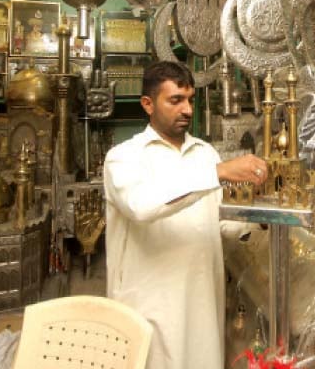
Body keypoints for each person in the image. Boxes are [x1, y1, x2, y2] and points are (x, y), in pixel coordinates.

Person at [104, 60, 268, 369]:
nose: (188, 110)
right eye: (175, 100)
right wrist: (219, 172)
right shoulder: (124, 157)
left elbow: (218, 222)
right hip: (149, 306)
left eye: (190, 99)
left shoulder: (204, 153)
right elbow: (142, 205)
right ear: (148, 104)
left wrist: (258, 219)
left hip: (202, 303)